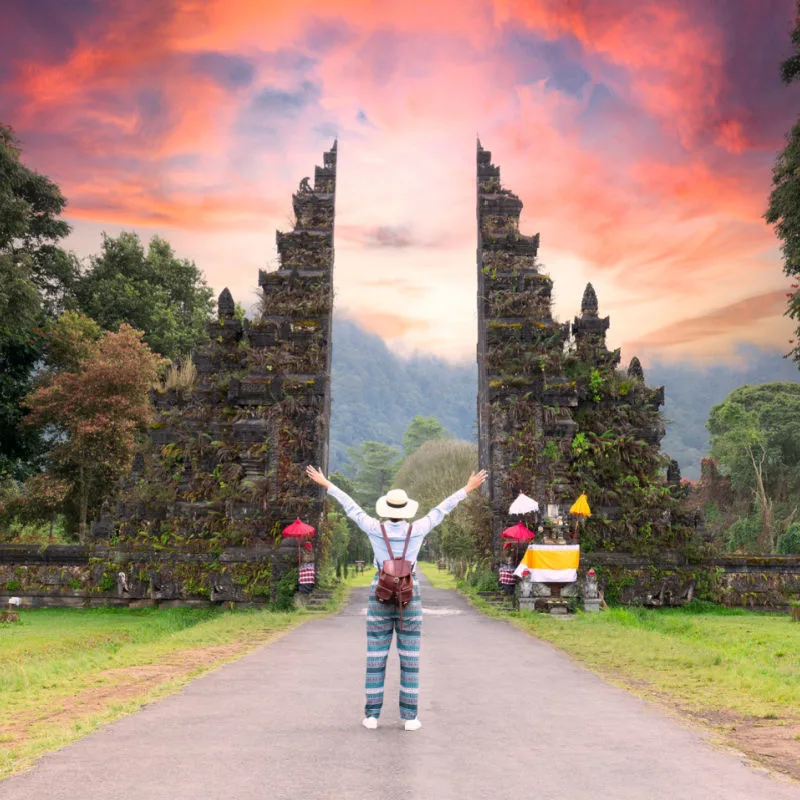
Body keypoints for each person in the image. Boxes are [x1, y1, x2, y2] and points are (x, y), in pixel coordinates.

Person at [305, 465, 488, 732]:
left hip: (378, 595)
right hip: (409, 596)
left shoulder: (373, 527)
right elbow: (441, 510)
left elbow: (351, 507)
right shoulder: (419, 529)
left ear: (386, 509)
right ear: (405, 511)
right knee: (410, 658)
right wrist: (467, 489)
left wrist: (326, 484)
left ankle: (372, 715)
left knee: (375, 656)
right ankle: (410, 717)